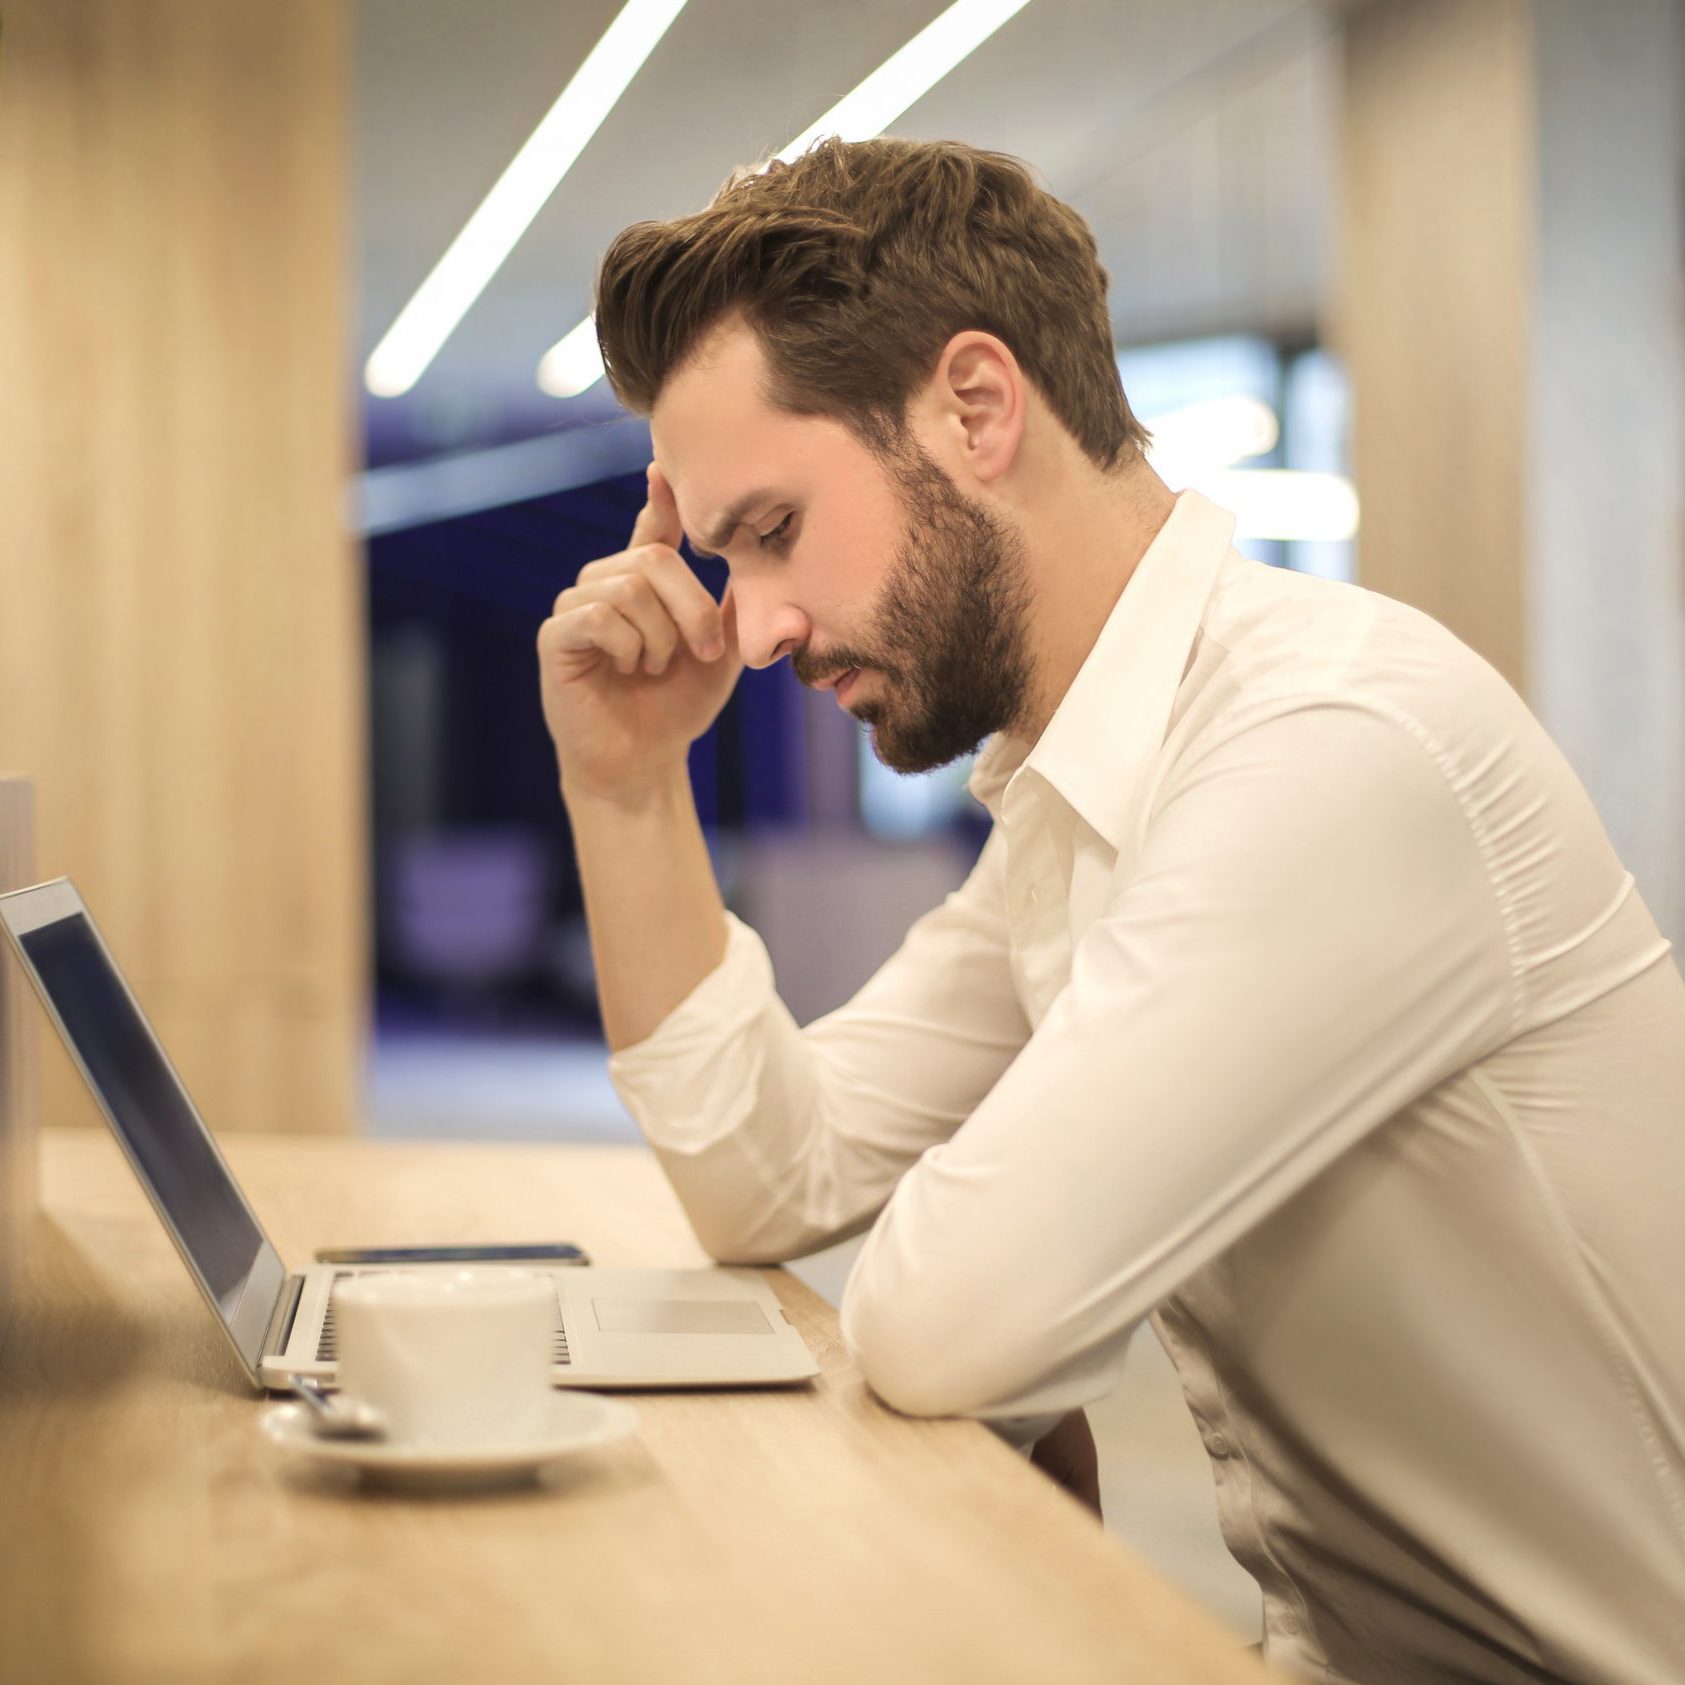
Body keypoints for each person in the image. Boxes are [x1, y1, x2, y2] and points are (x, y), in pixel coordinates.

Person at [535, 137, 1685, 1684]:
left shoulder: (1327, 744)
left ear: (975, 408)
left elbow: (953, 1322)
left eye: (774, 532)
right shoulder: (1076, 806)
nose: (752, 632)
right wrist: (622, 789)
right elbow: (770, 1175)